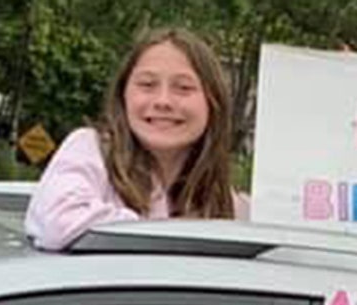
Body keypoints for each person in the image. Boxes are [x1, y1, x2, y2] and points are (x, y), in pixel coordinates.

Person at [24, 27, 249, 252]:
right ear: (123, 95)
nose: (163, 101)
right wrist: (170, 232)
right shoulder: (89, 149)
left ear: (213, 102)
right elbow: (57, 225)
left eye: (183, 88)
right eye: (147, 85)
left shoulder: (224, 203)